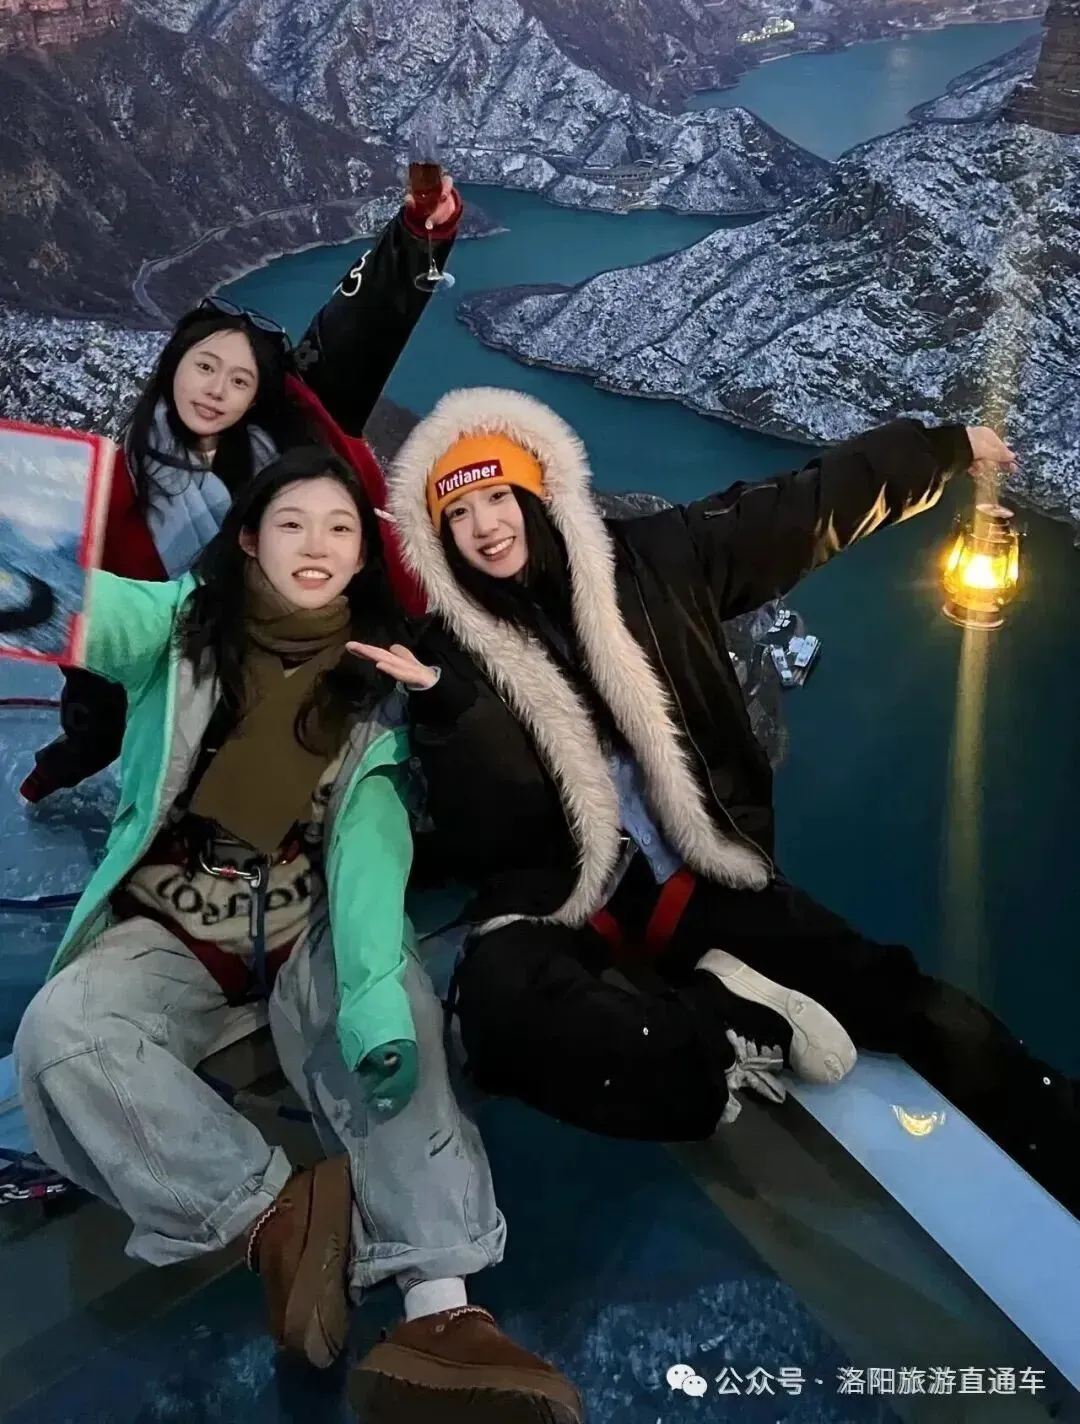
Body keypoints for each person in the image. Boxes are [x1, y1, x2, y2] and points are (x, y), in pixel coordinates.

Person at [361, 387, 1080, 1214]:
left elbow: (801, 510)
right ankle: (718, 1031)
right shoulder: (443, 657)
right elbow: (487, 834)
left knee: (887, 991)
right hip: (566, 896)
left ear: (538, 494)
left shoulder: (657, 562)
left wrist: (942, 450)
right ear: (437, 538)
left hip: (698, 870)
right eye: (458, 514)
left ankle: (1060, 1129)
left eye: (498, 497)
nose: (486, 527)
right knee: (496, 1016)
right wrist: (451, 715)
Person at [13, 447, 582, 1424]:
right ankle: (275, 1220)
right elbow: (81, 609)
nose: (315, 545)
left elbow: (367, 851)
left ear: (362, 556)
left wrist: (370, 992)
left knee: (395, 1031)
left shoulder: (376, 685)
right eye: (291, 523)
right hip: (175, 925)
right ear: (249, 540)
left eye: (339, 529)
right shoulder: (181, 633)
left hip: (303, 921)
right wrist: (19, 566)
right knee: (63, 1033)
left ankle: (444, 1317)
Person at [20, 179, 462, 804]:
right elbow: (90, 621)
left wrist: (419, 235)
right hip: (183, 689)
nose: (216, 390)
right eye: (204, 366)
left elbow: (357, 331)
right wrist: (70, 751)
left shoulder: (286, 440)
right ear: (173, 367)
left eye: (240, 379)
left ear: (258, 394)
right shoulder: (115, 485)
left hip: (311, 666)